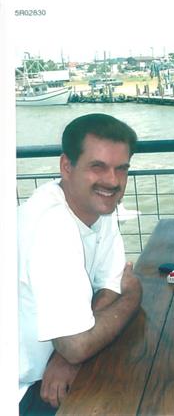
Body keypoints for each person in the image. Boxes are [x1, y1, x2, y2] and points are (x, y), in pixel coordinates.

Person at [18, 113, 143, 414]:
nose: (113, 181)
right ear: (66, 166)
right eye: (97, 167)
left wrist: (65, 354)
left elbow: (111, 283)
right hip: (22, 390)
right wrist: (134, 296)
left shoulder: (100, 208)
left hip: (51, 365)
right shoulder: (52, 226)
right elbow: (76, 346)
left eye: (121, 169)